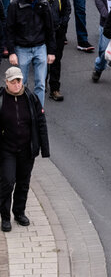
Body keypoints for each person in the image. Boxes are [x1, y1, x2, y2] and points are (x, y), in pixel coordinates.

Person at [0, 65, 50, 232]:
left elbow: (41, 122)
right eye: (13, 82)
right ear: (6, 82)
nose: (17, 85)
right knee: (7, 181)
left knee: (23, 182)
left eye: (19, 81)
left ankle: (19, 212)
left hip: (27, 149)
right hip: (7, 149)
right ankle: (5, 217)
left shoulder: (31, 97)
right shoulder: (1, 99)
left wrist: (44, 148)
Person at [5, 0, 56, 107]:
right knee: (21, 82)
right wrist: (11, 52)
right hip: (22, 48)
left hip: (40, 47)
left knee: (40, 83)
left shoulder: (43, 4)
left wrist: (51, 51)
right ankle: (23, 110)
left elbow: (50, 29)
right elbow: (9, 30)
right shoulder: (14, 6)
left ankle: (39, 110)